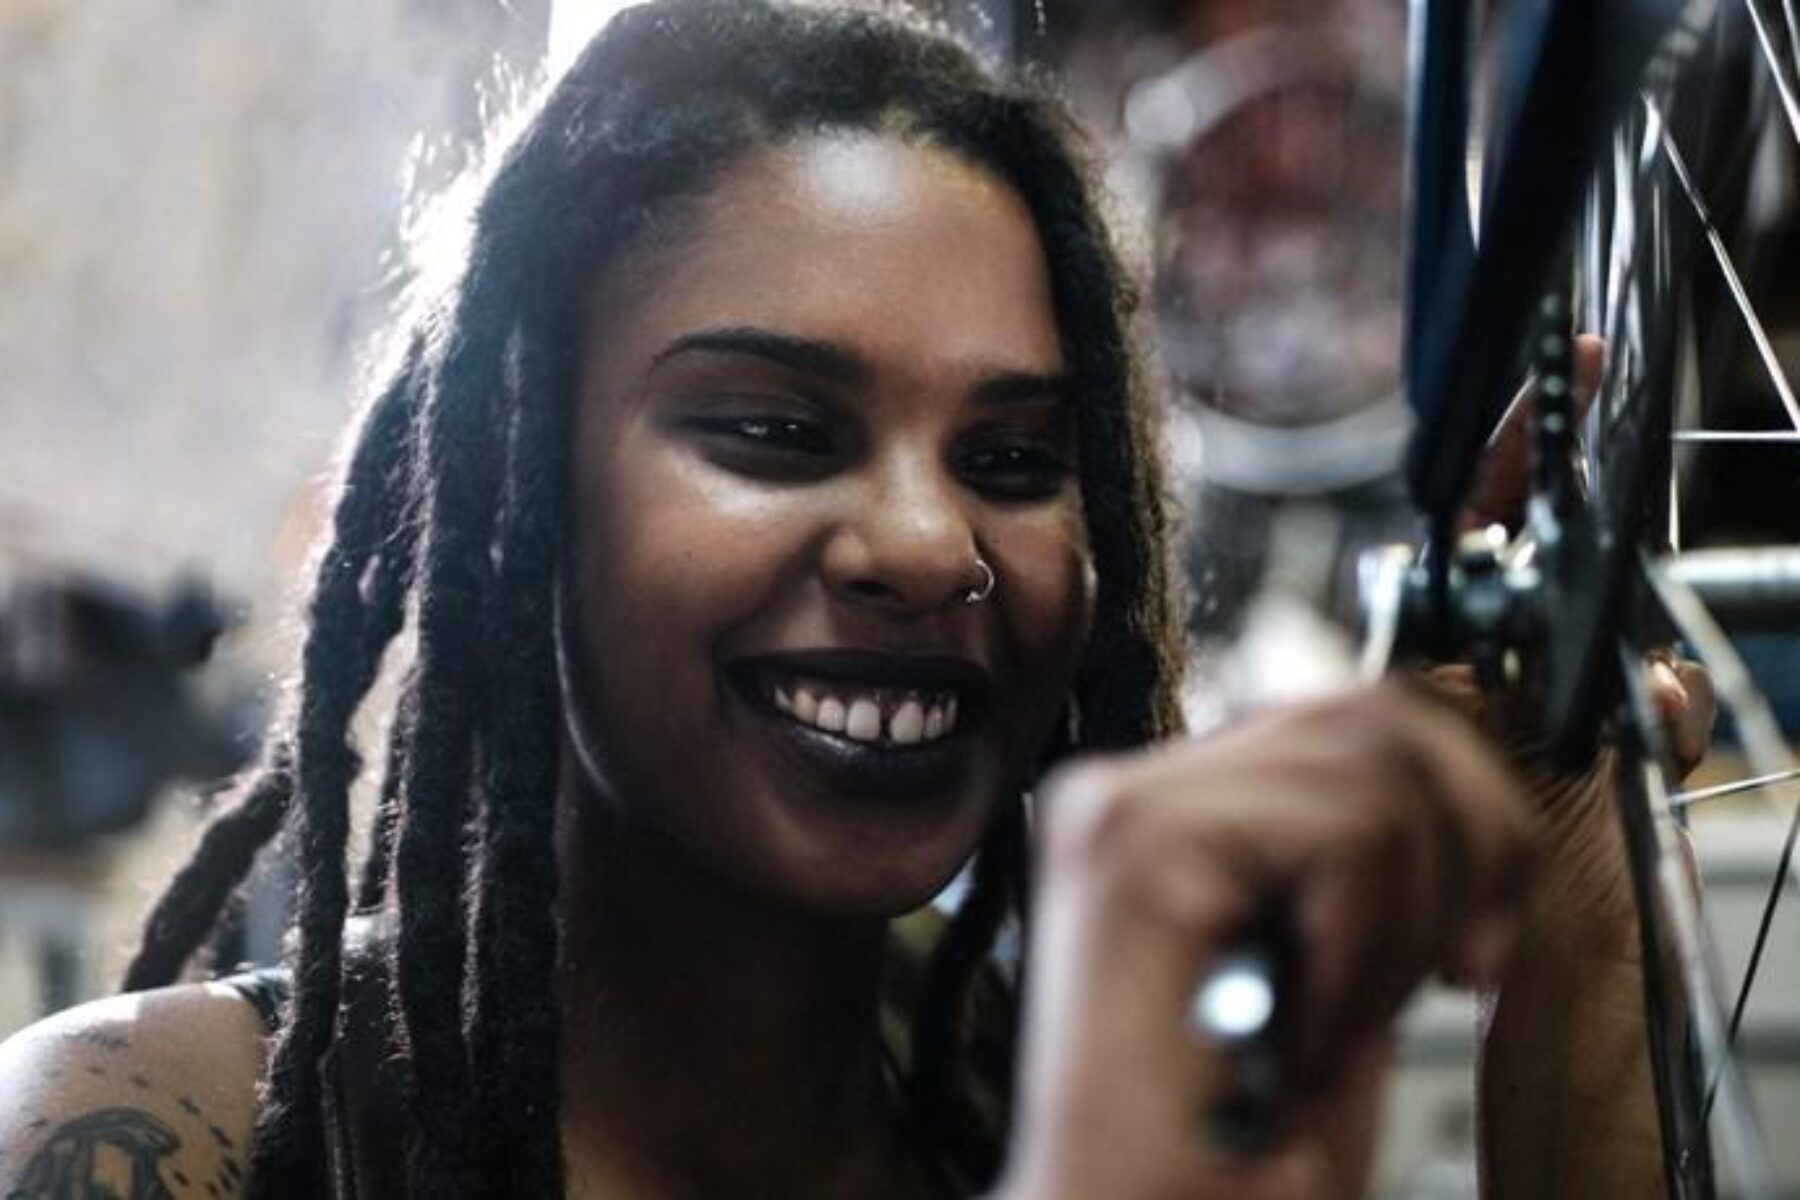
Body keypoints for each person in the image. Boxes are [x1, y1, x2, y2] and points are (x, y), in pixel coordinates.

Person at [0, 2, 1710, 1197]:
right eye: (773, 430)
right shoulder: (160, 1136)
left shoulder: (1041, 1093)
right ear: (521, 502)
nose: (925, 543)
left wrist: (1572, 852)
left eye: (1020, 458)